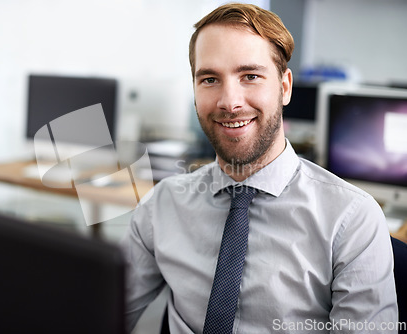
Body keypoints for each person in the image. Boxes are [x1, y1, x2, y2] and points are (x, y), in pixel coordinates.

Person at [121, 3, 398, 333]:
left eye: (250, 76)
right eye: (209, 79)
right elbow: (100, 314)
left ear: (284, 87)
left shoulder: (351, 220)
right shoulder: (160, 207)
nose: (229, 102)